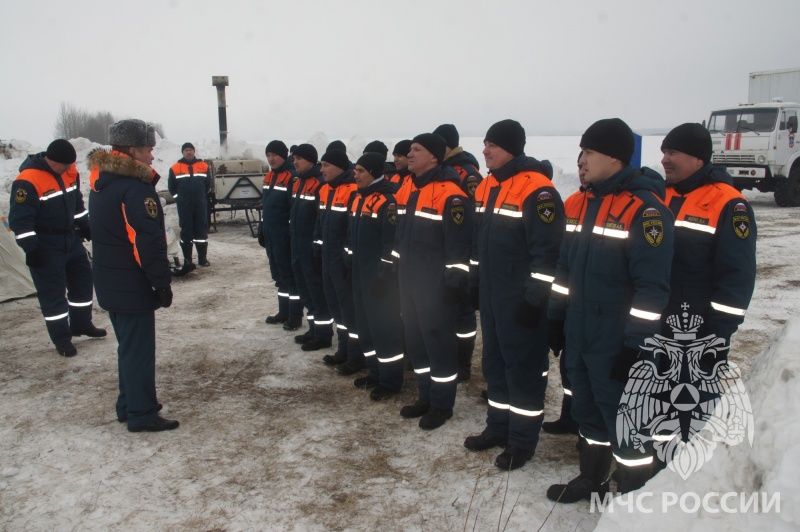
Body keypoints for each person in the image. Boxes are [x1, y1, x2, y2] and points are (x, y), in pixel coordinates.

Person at [546, 118, 673, 501]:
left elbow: (652, 289)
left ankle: (634, 496)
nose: (580, 160)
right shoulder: (582, 203)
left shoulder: (646, 211)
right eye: (580, 152)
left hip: (617, 340)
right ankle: (593, 478)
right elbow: (564, 270)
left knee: (625, 418)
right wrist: (555, 317)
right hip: (580, 331)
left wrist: (636, 345)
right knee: (585, 407)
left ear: (615, 157)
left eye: (589, 152)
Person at [464, 119, 564, 471]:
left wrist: (534, 299)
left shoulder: (539, 190)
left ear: (511, 148)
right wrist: (475, 281)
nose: (485, 150)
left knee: (523, 370)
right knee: (495, 365)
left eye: (492, 144)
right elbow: (478, 243)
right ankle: (498, 428)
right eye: (485, 143)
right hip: (492, 296)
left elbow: (547, 254)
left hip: (520, 300)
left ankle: (522, 442)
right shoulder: (488, 185)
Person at [88, 119, 178, 432]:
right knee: (138, 350)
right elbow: (145, 240)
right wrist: (161, 281)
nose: (152, 157)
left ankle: (129, 405)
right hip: (131, 282)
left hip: (111, 280)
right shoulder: (135, 189)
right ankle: (142, 413)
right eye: (149, 149)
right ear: (133, 150)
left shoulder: (103, 182)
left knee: (128, 347)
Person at [395, 133, 472, 430]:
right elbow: (400, 236)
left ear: (435, 157)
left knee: (439, 345)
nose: (409, 154)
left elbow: (459, 247)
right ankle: (425, 396)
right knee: (416, 343)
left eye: (417, 150)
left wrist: (454, 283)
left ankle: (442, 404)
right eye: (410, 149)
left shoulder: (451, 194)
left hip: (435, 286)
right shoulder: (410, 188)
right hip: (409, 281)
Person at [660, 123, 756, 358]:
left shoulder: (729, 203)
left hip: (699, 333)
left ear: (698, 159)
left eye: (672, 153)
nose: (664, 159)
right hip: (656, 327)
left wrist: (718, 335)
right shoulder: (659, 196)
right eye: (663, 153)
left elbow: (737, 275)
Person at [9, 139, 106, 357]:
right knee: (53, 294)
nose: (68, 169)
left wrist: (85, 226)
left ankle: (81, 324)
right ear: (51, 161)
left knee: (83, 281)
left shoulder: (69, 171)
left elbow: (77, 204)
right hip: (45, 244)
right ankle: (62, 339)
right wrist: (31, 249)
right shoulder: (27, 181)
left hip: (70, 239)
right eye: (64, 165)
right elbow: (20, 221)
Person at [346, 152, 405, 399]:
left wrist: (384, 275)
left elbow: (390, 245)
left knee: (384, 329)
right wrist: (348, 261)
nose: (355, 174)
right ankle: (375, 372)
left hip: (379, 280)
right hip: (360, 275)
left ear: (372, 172)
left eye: (360, 171)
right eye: (355, 170)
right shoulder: (358, 198)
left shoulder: (387, 201)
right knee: (366, 326)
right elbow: (352, 238)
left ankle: (390, 381)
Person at [433, 124, 484, 381]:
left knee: (462, 310)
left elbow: (475, 215)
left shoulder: (468, 174)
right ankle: (445, 355)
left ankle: (463, 363)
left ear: (447, 146)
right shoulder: (439, 171)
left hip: (463, 250)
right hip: (443, 249)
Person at [541, 152, 587, 436]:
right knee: (570, 365)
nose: (582, 171)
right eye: (579, 165)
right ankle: (570, 417)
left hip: (601, 309)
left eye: (587, 164)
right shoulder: (573, 202)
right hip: (573, 304)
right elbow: (563, 256)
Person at [314, 149, 362, 368]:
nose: (322, 169)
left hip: (342, 261)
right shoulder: (325, 190)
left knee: (349, 309)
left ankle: (355, 356)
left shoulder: (353, 190)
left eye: (326, 165)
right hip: (328, 259)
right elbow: (320, 223)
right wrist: (317, 245)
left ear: (340, 168)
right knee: (336, 307)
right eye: (321, 165)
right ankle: (343, 349)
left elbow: (353, 230)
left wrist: (347, 257)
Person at [290, 144, 334, 351]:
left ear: (310, 160)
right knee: (305, 290)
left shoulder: (318, 183)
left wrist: (317, 246)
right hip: (298, 246)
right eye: (294, 159)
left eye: (299, 158)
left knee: (316, 291)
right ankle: (314, 328)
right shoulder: (298, 183)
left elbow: (319, 220)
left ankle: (324, 334)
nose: (295, 162)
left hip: (310, 247)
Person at [261, 140, 303, 331]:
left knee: (290, 277)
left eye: (275, 155)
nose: (271, 159)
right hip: (271, 235)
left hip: (284, 236)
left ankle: (295, 316)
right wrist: (263, 229)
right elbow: (267, 206)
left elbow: (293, 211)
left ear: (284, 155)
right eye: (268, 155)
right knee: (279, 275)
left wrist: (289, 234)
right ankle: (283, 311)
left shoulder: (291, 177)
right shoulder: (269, 177)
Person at [168, 142, 212, 274]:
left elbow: (208, 185)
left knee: (201, 229)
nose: (188, 152)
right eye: (186, 150)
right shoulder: (175, 168)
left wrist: (201, 197)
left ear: (194, 151)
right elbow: (172, 187)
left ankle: (202, 258)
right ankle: (188, 259)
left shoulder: (203, 166)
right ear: (183, 152)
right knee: (186, 229)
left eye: (190, 150)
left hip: (200, 203)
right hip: (184, 204)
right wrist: (179, 198)